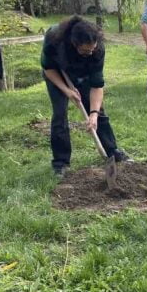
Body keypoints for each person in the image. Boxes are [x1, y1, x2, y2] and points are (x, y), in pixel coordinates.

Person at [41, 15, 130, 176]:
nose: (90, 53)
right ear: (75, 44)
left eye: (92, 49)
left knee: (98, 111)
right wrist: (67, 91)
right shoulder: (54, 39)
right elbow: (48, 68)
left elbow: (96, 85)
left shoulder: (97, 50)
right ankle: (60, 163)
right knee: (60, 114)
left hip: (83, 73)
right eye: (85, 50)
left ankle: (111, 150)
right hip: (57, 73)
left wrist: (93, 114)